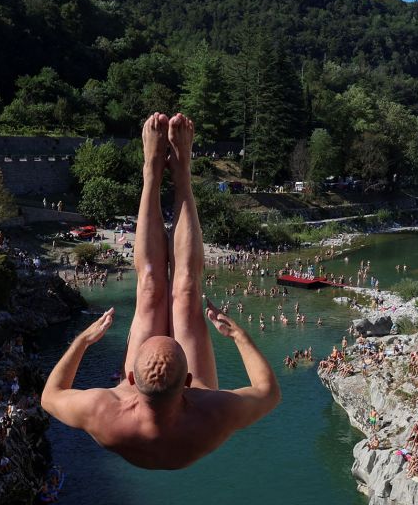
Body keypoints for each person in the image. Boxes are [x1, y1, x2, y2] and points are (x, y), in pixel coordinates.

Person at [42, 114, 280, 469]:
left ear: (131, 378)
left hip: (138, 417)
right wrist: (241, 338)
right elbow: (267, 394)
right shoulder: (212, 412)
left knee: (151, 284)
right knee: (184, 290)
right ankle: (181, 175)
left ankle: (151, 174)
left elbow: (51, 397)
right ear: (187, 381)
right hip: (191, 422)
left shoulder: (104, 412)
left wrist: (81, 343)